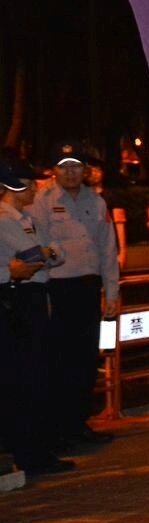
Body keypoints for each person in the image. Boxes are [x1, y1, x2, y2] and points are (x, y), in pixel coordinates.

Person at [31, 141, 121, 451]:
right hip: (57, 288)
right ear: (53, 171)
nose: (70, 172)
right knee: (58, 361)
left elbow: (108, 248)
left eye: (76, 166)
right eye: (64, 166)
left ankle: (78, 424)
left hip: (88, 287)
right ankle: (58, 429)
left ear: (85, 170)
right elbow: (36, 247)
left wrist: (111, 291)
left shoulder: (96, 202)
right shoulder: (41, 201)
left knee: (85, 359)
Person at [0, 158, 74, 476]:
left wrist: (45, 253)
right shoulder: (4, 220)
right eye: (30, 183)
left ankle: (36, 447)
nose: (35, 188)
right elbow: (33, 254)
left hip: (33, 296)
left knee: (37, 372)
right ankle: (29, 452)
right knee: (25, 376)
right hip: (17, 299)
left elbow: (54, 254)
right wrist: (44, 253)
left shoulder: (28, 218)